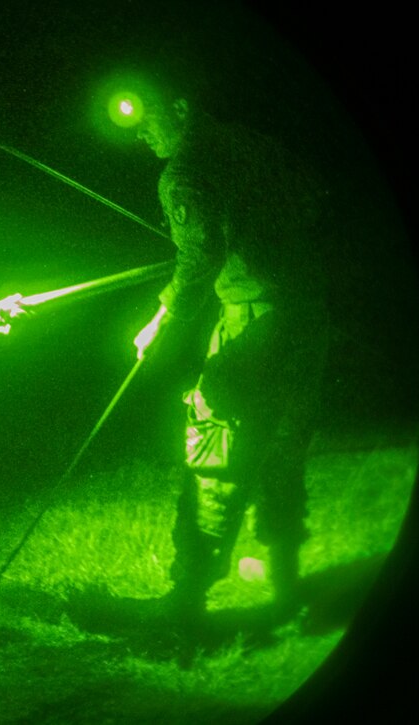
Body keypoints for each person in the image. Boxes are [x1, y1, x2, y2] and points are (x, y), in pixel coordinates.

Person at [127, 65, 331, 625]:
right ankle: (286, 586)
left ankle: (186, 599)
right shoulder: (249, 142)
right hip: (308, 314)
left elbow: (198, 262)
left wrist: (159, 318)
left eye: (145, 115)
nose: (139, 132)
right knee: (285, 446)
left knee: (217, 448)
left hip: (255, 320)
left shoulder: (184, 172)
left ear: (181, 108)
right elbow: (314, 196)